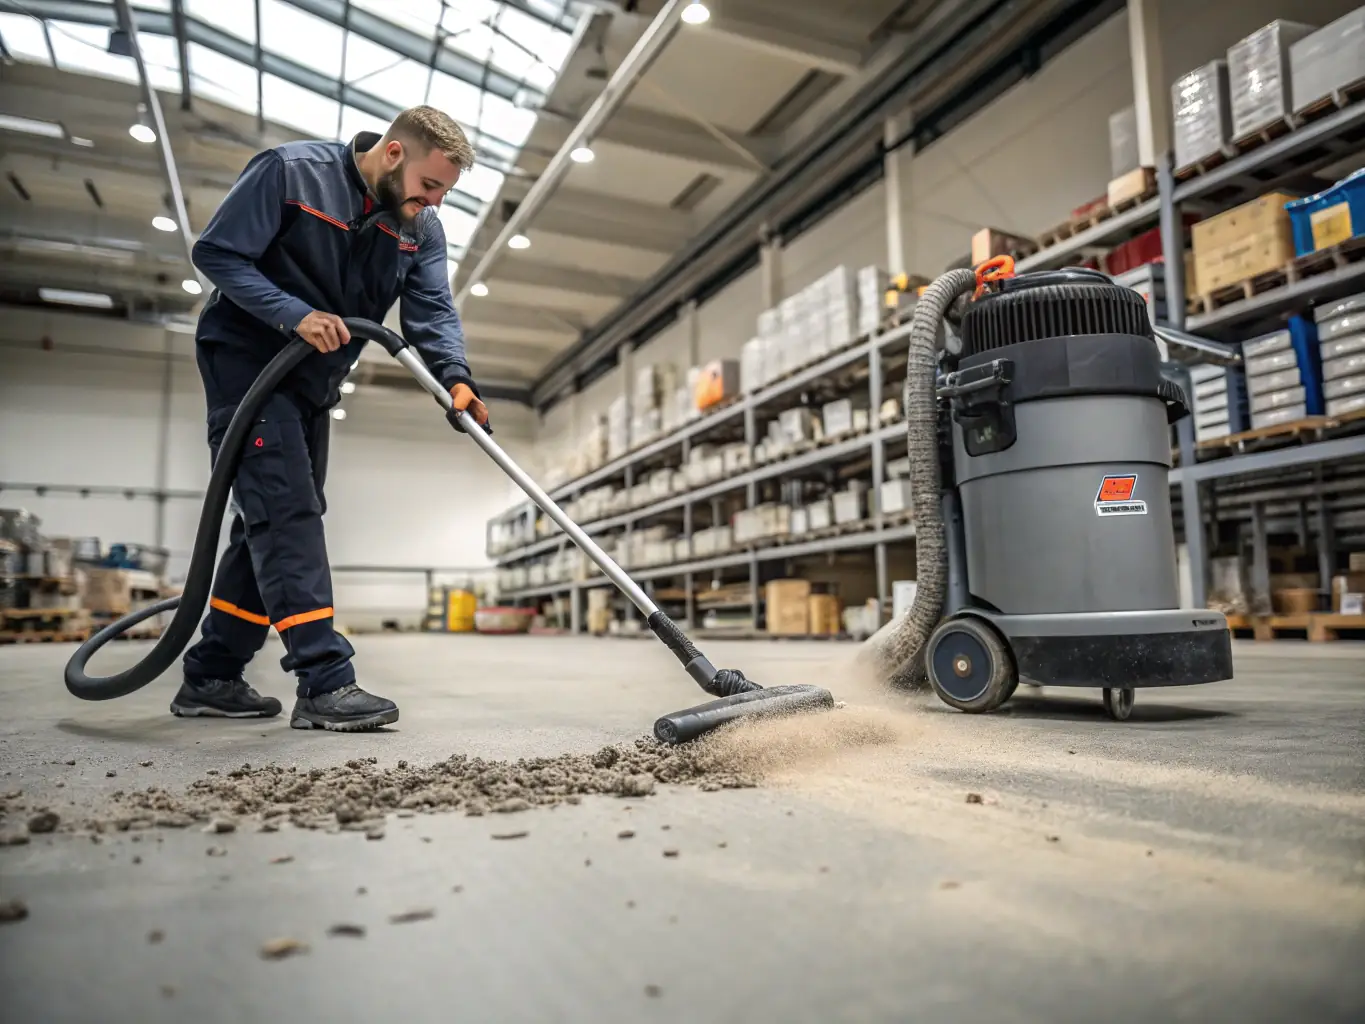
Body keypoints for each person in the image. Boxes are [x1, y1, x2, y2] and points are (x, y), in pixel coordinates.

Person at [170, 106, 489, 732]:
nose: (436, 202)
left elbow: (430, 308)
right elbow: (218, 254)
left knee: (272, 515)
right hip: (249, 361)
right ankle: (323, 681)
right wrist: (292, 313)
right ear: (393, 154)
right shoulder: (292, 174)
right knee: (287, 510)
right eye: (431, 186)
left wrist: (455, 377)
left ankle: (212, 672)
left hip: (315, 380)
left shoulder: (419, 229)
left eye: (446, 191)